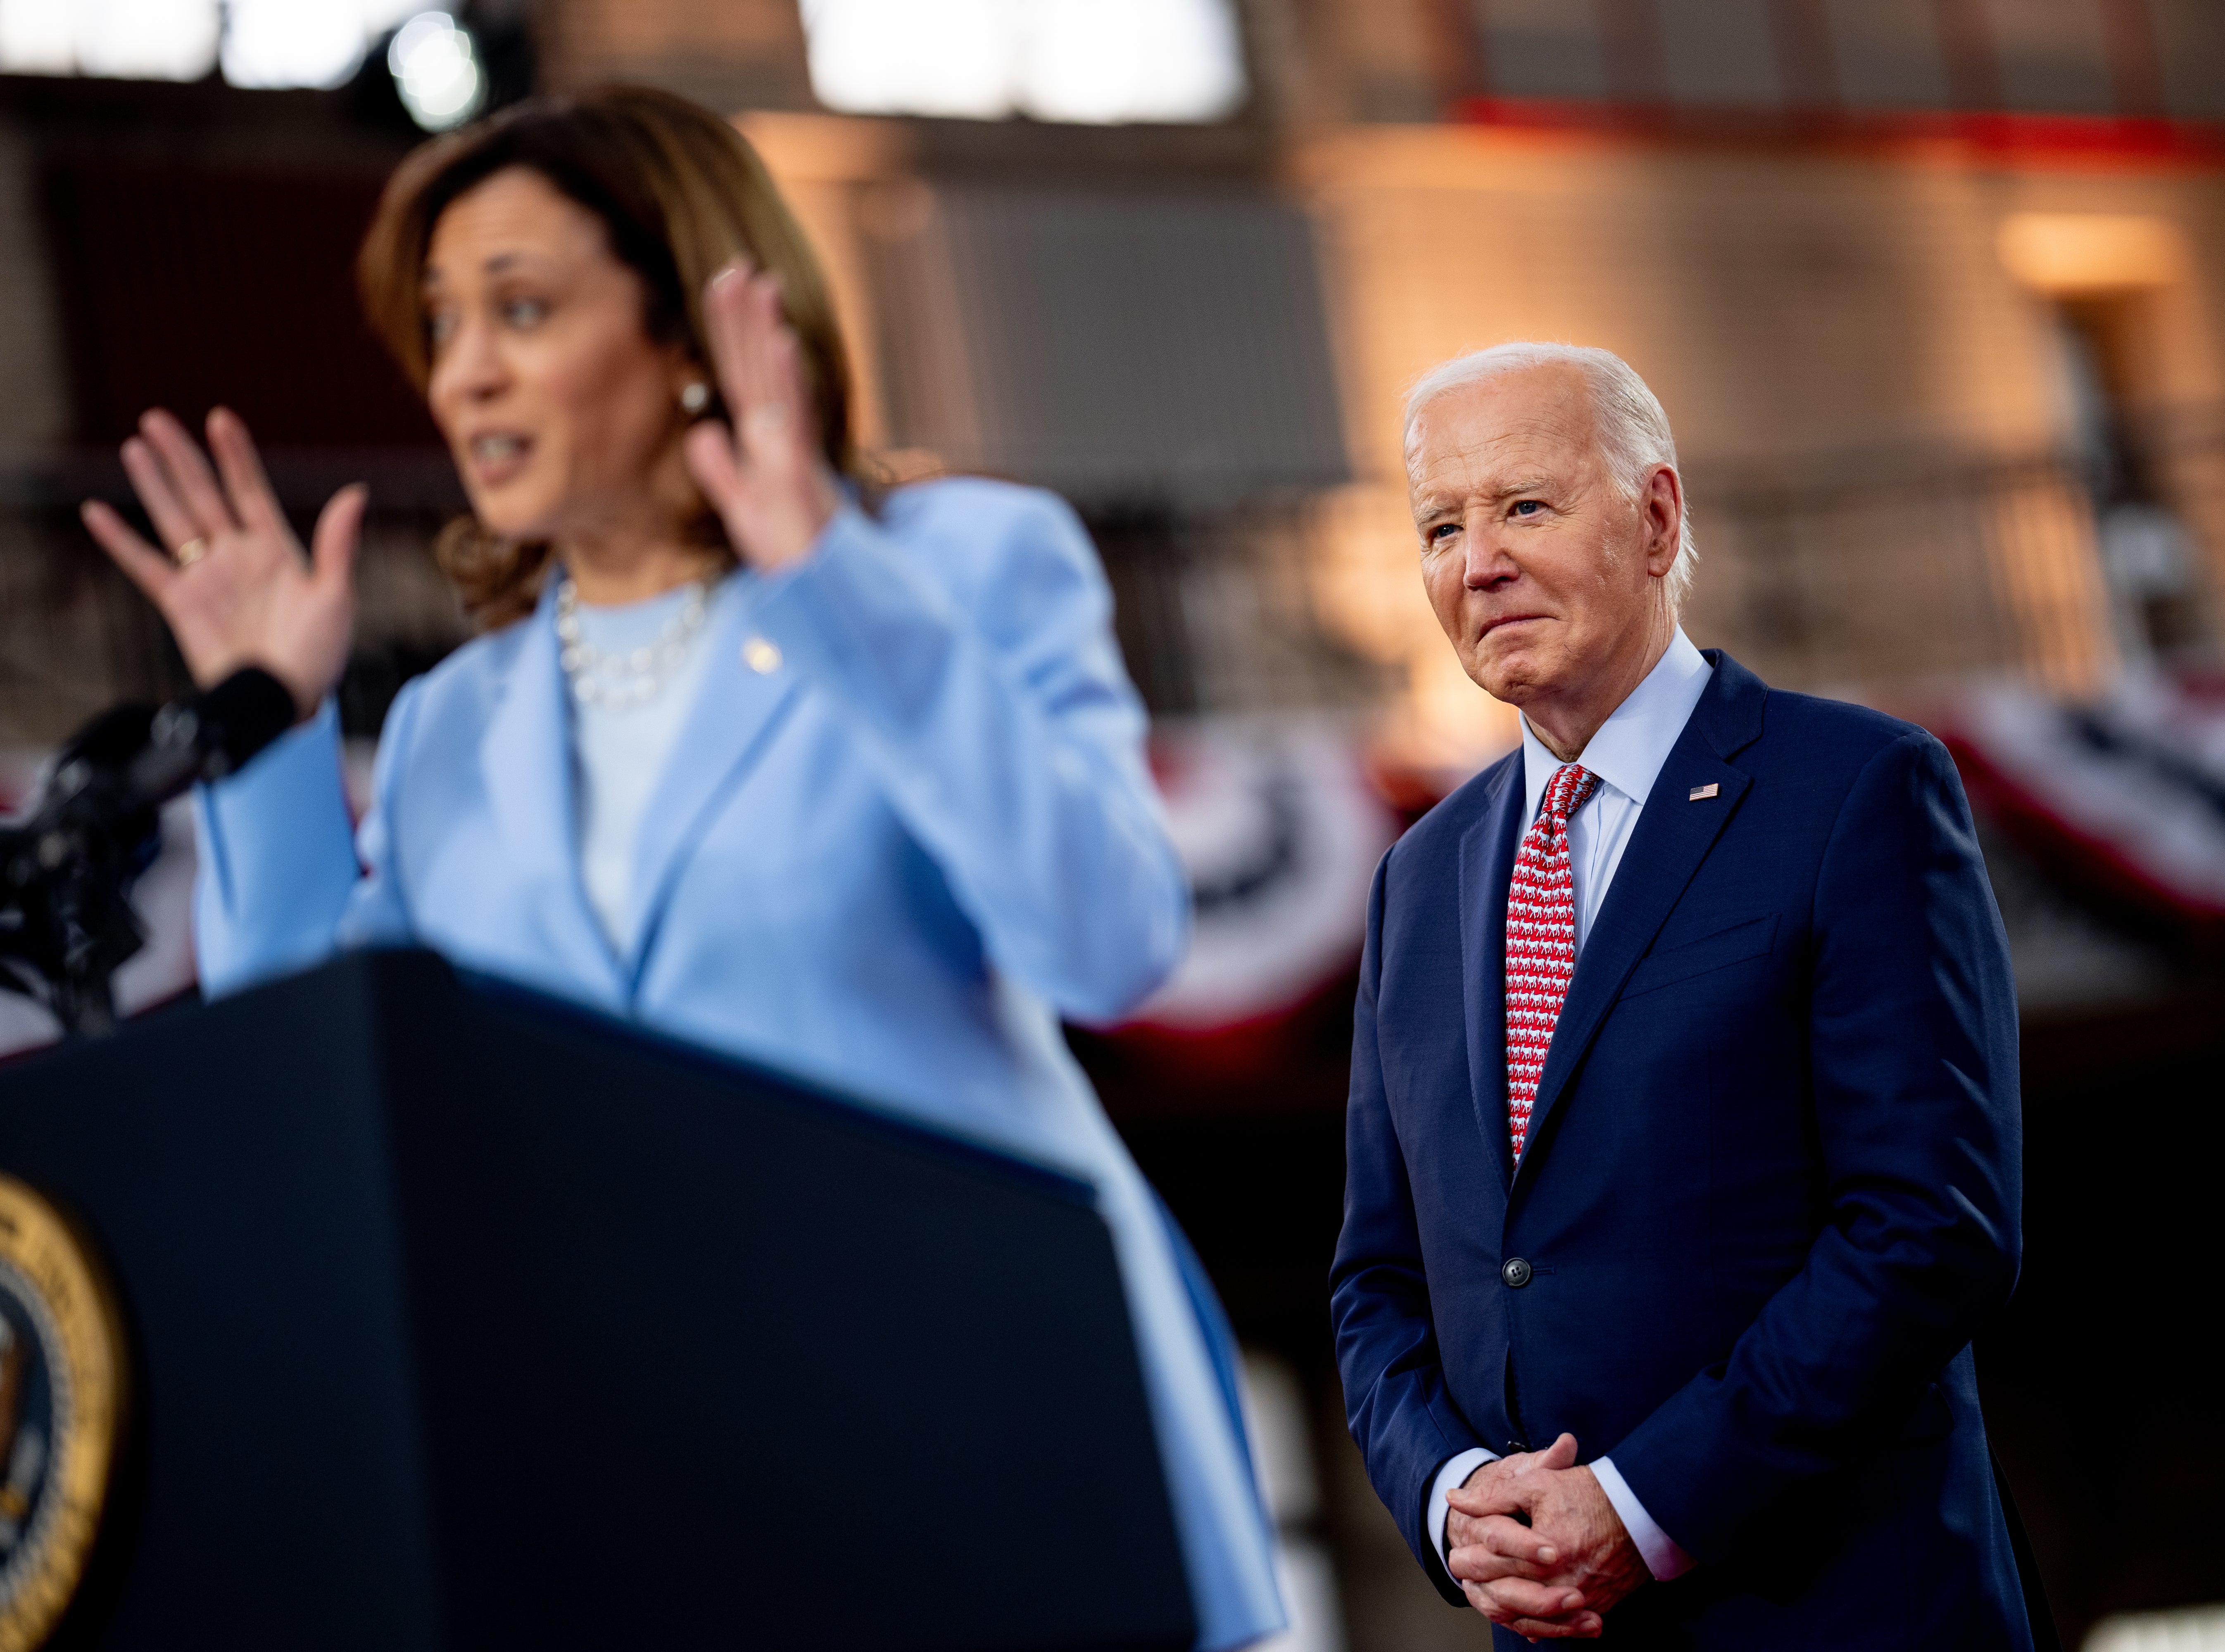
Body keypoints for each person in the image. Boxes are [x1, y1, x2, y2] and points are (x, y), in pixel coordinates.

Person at [82, 86, 1283, 1652]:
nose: (466, 373)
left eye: (522, 310)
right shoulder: (458, 724)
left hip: (991, 1419)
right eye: (439, 325)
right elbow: (326, 1096)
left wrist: (828, 582)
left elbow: (1112, 940)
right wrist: (269, 743)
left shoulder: (961, 567)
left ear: (695, 325)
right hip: (667, 1481)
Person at [1329, 343, 2033, 1647]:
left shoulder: (1856, 792)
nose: (1476, 562)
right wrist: (1452, 1495)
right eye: (1440, 525)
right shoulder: (1413, 884)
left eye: (1524, 507)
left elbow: (1932, 1226)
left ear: (1656, 519)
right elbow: (1378, 1283)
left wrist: (1646, 1505)